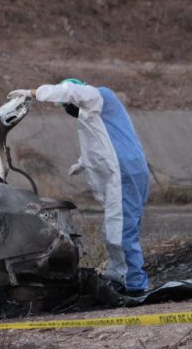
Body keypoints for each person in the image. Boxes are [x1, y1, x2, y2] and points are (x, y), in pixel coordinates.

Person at [8, 79, 150, 295]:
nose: (67, 108)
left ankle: (132, 283)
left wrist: (33, 92)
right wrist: (83, 163)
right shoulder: (94, 112)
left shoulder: (99, 95)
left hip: (124, 173)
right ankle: (121, 276)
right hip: (129, 170)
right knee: (120, 227)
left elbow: (71, 91)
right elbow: (101, 142)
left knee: (119, 230)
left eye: (66, 105)